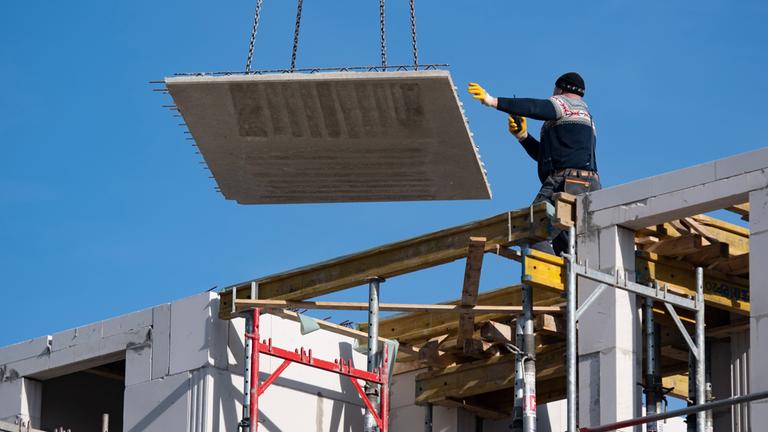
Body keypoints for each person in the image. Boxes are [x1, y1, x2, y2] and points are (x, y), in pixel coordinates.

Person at [467, 72, 601, 255]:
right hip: (587, 187)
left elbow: (533, 107)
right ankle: (570, 280)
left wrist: (492, 101)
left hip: (565, 184)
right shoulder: (587, 118)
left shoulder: (565, 104)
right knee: (568, 247)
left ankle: (546, 279)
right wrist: (523, 137)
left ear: (560, 89)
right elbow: (548, 157)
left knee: (531, 231)